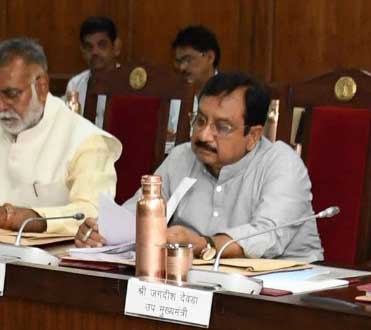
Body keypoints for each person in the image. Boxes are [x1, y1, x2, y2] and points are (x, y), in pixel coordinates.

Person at [75, 72, 322, 262]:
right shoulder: (183, 157)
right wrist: (104, 231)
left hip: (286, 291)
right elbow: (139, 215)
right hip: (202, 281)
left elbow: (268, 235)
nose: (203, 135)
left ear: (253, 136)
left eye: (222, 127)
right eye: (200, 120)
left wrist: (205, 245)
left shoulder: (281, 163)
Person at [0, 37, 121, 235]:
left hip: (52, 253)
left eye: (11, 94)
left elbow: (92, 211)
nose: (1, 106)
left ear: (41, 87)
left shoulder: (86, 140)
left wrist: (32, 219)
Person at [64, 16, 121, 113]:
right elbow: (69, 120)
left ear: (116, 47)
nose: (95, 52)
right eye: (89, 46)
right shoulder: (75, 85)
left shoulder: (128, 85)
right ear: (82, 51)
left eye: (102, 45)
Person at [172, 25, 220, 98]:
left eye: (188, 60)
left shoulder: (230, 93)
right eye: (178, 61)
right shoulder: (171, 93)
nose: (182, 67)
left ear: (210, 57)